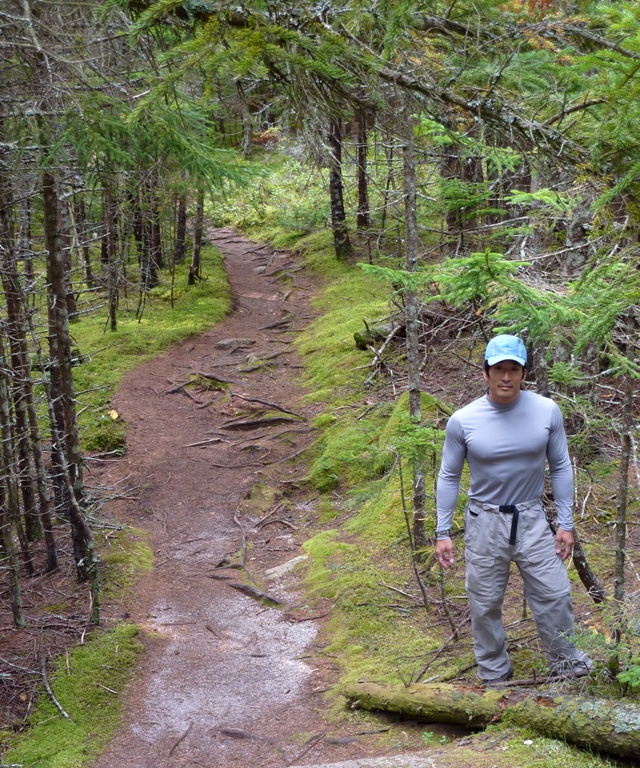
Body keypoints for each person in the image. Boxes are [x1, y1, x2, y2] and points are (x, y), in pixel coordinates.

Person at [434, 334, 592, 683]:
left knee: (554, 593)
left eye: (514, 369)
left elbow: (562, 466)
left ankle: (567, 665)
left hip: (532, 517)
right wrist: (442, 531)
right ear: (486, 371)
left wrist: (566, 523)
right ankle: (494, 674)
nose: (506, 376)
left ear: (524, 372)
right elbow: (449, 475)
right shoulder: (464, 420)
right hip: (484, 521)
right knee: (485, 602)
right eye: (499, 368)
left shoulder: (546, 411)